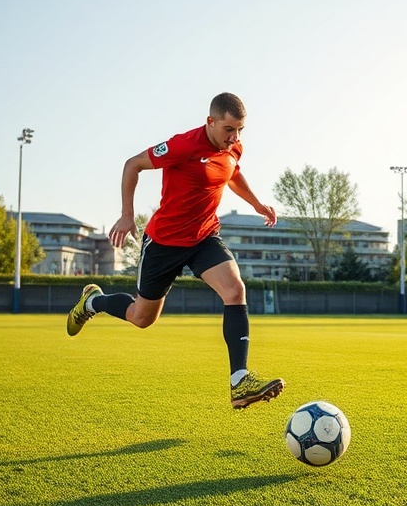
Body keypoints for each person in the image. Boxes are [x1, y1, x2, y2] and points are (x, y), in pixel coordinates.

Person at [66, 92, 285, 410]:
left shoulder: (233, 147)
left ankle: (239, 381)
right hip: (165, 243)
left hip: (204, 238)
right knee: (141, 318)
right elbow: (133, 165)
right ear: (210, 122)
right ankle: (93, 301)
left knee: (235, 289)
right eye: (228, 129)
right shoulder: (183, 145)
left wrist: (257, 204)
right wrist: (127, 215)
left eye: (240, 130)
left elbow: (232, 173)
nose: (235, 137)